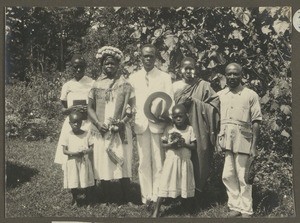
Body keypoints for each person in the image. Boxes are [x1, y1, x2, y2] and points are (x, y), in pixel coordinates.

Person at [87, 46, 134, 204]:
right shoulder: (96, 85)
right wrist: (98, 123)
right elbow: (89, 108)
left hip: (120, 128)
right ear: (102, 65)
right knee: (103, 162)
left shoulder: (125, 84)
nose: (110, 66)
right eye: (107, 64)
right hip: (102, 129)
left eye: (113, 64)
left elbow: (131, 109)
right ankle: (107, 195)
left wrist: (122, 123)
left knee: (124, 160)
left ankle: (127, 197)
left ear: (118, 65)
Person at [129, 44, 173, 205]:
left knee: (158, 160)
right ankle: (146, 196)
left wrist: (164, 117)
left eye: (151, 56)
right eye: (145, 56)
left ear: (156, 58)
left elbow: (170, 101)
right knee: (143, 161)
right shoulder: (133, 78)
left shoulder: (164, 77)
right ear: (140, 57)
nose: (148, 59)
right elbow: (130, 101)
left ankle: (158, 195)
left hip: (158, 124)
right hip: (141, 123)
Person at [217, 63, 262, 218]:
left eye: (235, 74)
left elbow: (256, 121)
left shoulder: (250, 95)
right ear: (225, 75)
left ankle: (246, 209)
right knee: (228, 175)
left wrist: (254, 146)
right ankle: (235, 206)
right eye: (229, 74)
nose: (232, 77)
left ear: (241, 75)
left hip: (244, 140)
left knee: (244, 176)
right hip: (226, 140)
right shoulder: (220, 95)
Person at [173, 57, 219, 201]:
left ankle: (198, 193)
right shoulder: (175, 86)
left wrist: (195, 103)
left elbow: (214, 105)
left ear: (195, 69)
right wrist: (182, 104)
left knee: (200, 156)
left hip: (199, 129)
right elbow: (170, 106)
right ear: (180, 70)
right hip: (180, 129)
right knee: (180, 158)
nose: (188, 71)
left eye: (191, 68)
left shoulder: (204, 85)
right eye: (185, 68)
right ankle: (180, 193)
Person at [151, 104, 196, 217]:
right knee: (165, 183)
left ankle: (187, 208)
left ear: (186, 116)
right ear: (172, 118)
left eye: (180, 116)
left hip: (184, 162)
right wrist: (172, 144)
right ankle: (156, 210)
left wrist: (184, 143)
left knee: (184, 183)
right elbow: (163, 144)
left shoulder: (189, 129)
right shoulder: (169, 129)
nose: (178, 119)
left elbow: (194, 146)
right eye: (175, 117)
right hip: (171, 162)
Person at [54, 54, 94, 166]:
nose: (79, 69)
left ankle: (90, 179)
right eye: (75, 66)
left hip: (87, 122)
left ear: (85, 67)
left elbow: (96, 104)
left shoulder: (92, 83)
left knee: (88, 150)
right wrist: (70, 109)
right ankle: (72, 177)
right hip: (73, 123)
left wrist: (88, 108)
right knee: (72, 150)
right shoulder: (68, 85)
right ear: (71, 68)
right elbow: (62, 109)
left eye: (81, 66)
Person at [61, 111, 94, 207]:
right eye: (74, 122)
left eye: (78, 122)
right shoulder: (67, 135)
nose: (76, 124)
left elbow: (91, 148)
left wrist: (85, 151)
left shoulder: (87, 134)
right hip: (72, 161)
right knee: (73, 181)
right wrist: (75, 153)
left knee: (85, 180)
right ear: (70, 123)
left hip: (84, 161)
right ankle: (75, 199)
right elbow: (64, 151)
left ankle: (88, 200)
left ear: (82, 123)